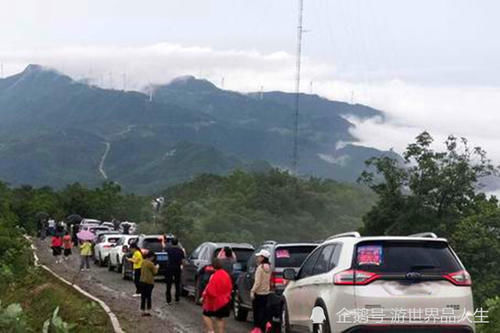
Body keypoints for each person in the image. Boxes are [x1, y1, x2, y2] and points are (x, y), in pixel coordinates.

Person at [201, 259, 232, 333]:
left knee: (206, 315)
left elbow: (210, 289)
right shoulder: (226, 274)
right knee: (219, 318)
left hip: (215, 301)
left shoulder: (214, 276)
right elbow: (230, 287)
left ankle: (211, 331)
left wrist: (204, 297)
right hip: (225, 301)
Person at [251, 249, 272, 332]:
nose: (258, 258)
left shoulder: (260, 268)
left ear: (263, 258)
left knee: (257, 311)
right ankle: (266, 323)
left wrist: (253, 291)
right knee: (263, 310)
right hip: (266, 292)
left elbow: (257, 282)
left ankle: (257, 328)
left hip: (258, 292)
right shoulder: (269, 267)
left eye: (259, 256)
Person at [165, 238, 185, 304]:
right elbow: (182, 261)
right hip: (177, 268)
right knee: (177, 283)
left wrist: (164, 241)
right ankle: (177, 298)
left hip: (169, 268)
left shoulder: (169, 249)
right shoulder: (180, 251)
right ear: (177, 243)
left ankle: (168, 300)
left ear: (171, 243)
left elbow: (164, 247)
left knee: (169, 284)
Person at [140, 251, 159, 316]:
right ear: (152, 257)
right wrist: (157, 267)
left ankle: (142, 310)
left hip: (142, 281)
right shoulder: (150, 264)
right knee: (148, 297)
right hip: (149, 282)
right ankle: (148, 310)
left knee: (143, 296)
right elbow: (155, 272)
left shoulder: (143, 262)